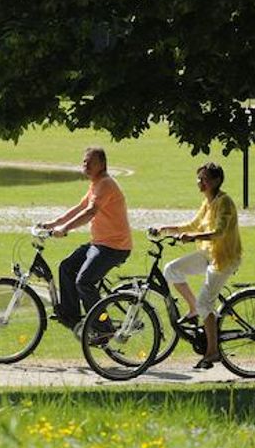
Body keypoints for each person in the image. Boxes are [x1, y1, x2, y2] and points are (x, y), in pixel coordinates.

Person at [151, 162, 242, 370]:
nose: (200, 182)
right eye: (199, 178)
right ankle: (193, 309)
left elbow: (219, 232)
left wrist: (192, 237)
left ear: (216, 181)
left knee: (205, 304)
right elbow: (192, 225)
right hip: (208, 254)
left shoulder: (224, 202)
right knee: (171, 270)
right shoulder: (207, 202)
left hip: (224, 258)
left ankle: (212, 352)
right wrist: (165, 229)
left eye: (204, 179)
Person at [40, 147, 133, 332]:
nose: (86, 165)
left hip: (114, 246)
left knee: (84, 282)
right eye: (84, 161)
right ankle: (72, 318)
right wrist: (53, 223)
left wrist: (65, 229)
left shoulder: (106, 184)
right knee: (66, 267)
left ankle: (104, 328)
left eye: (91, 162)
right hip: (99, 243)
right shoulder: (95, 184)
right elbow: (80, 207)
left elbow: (90, 212)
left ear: (103, 164)